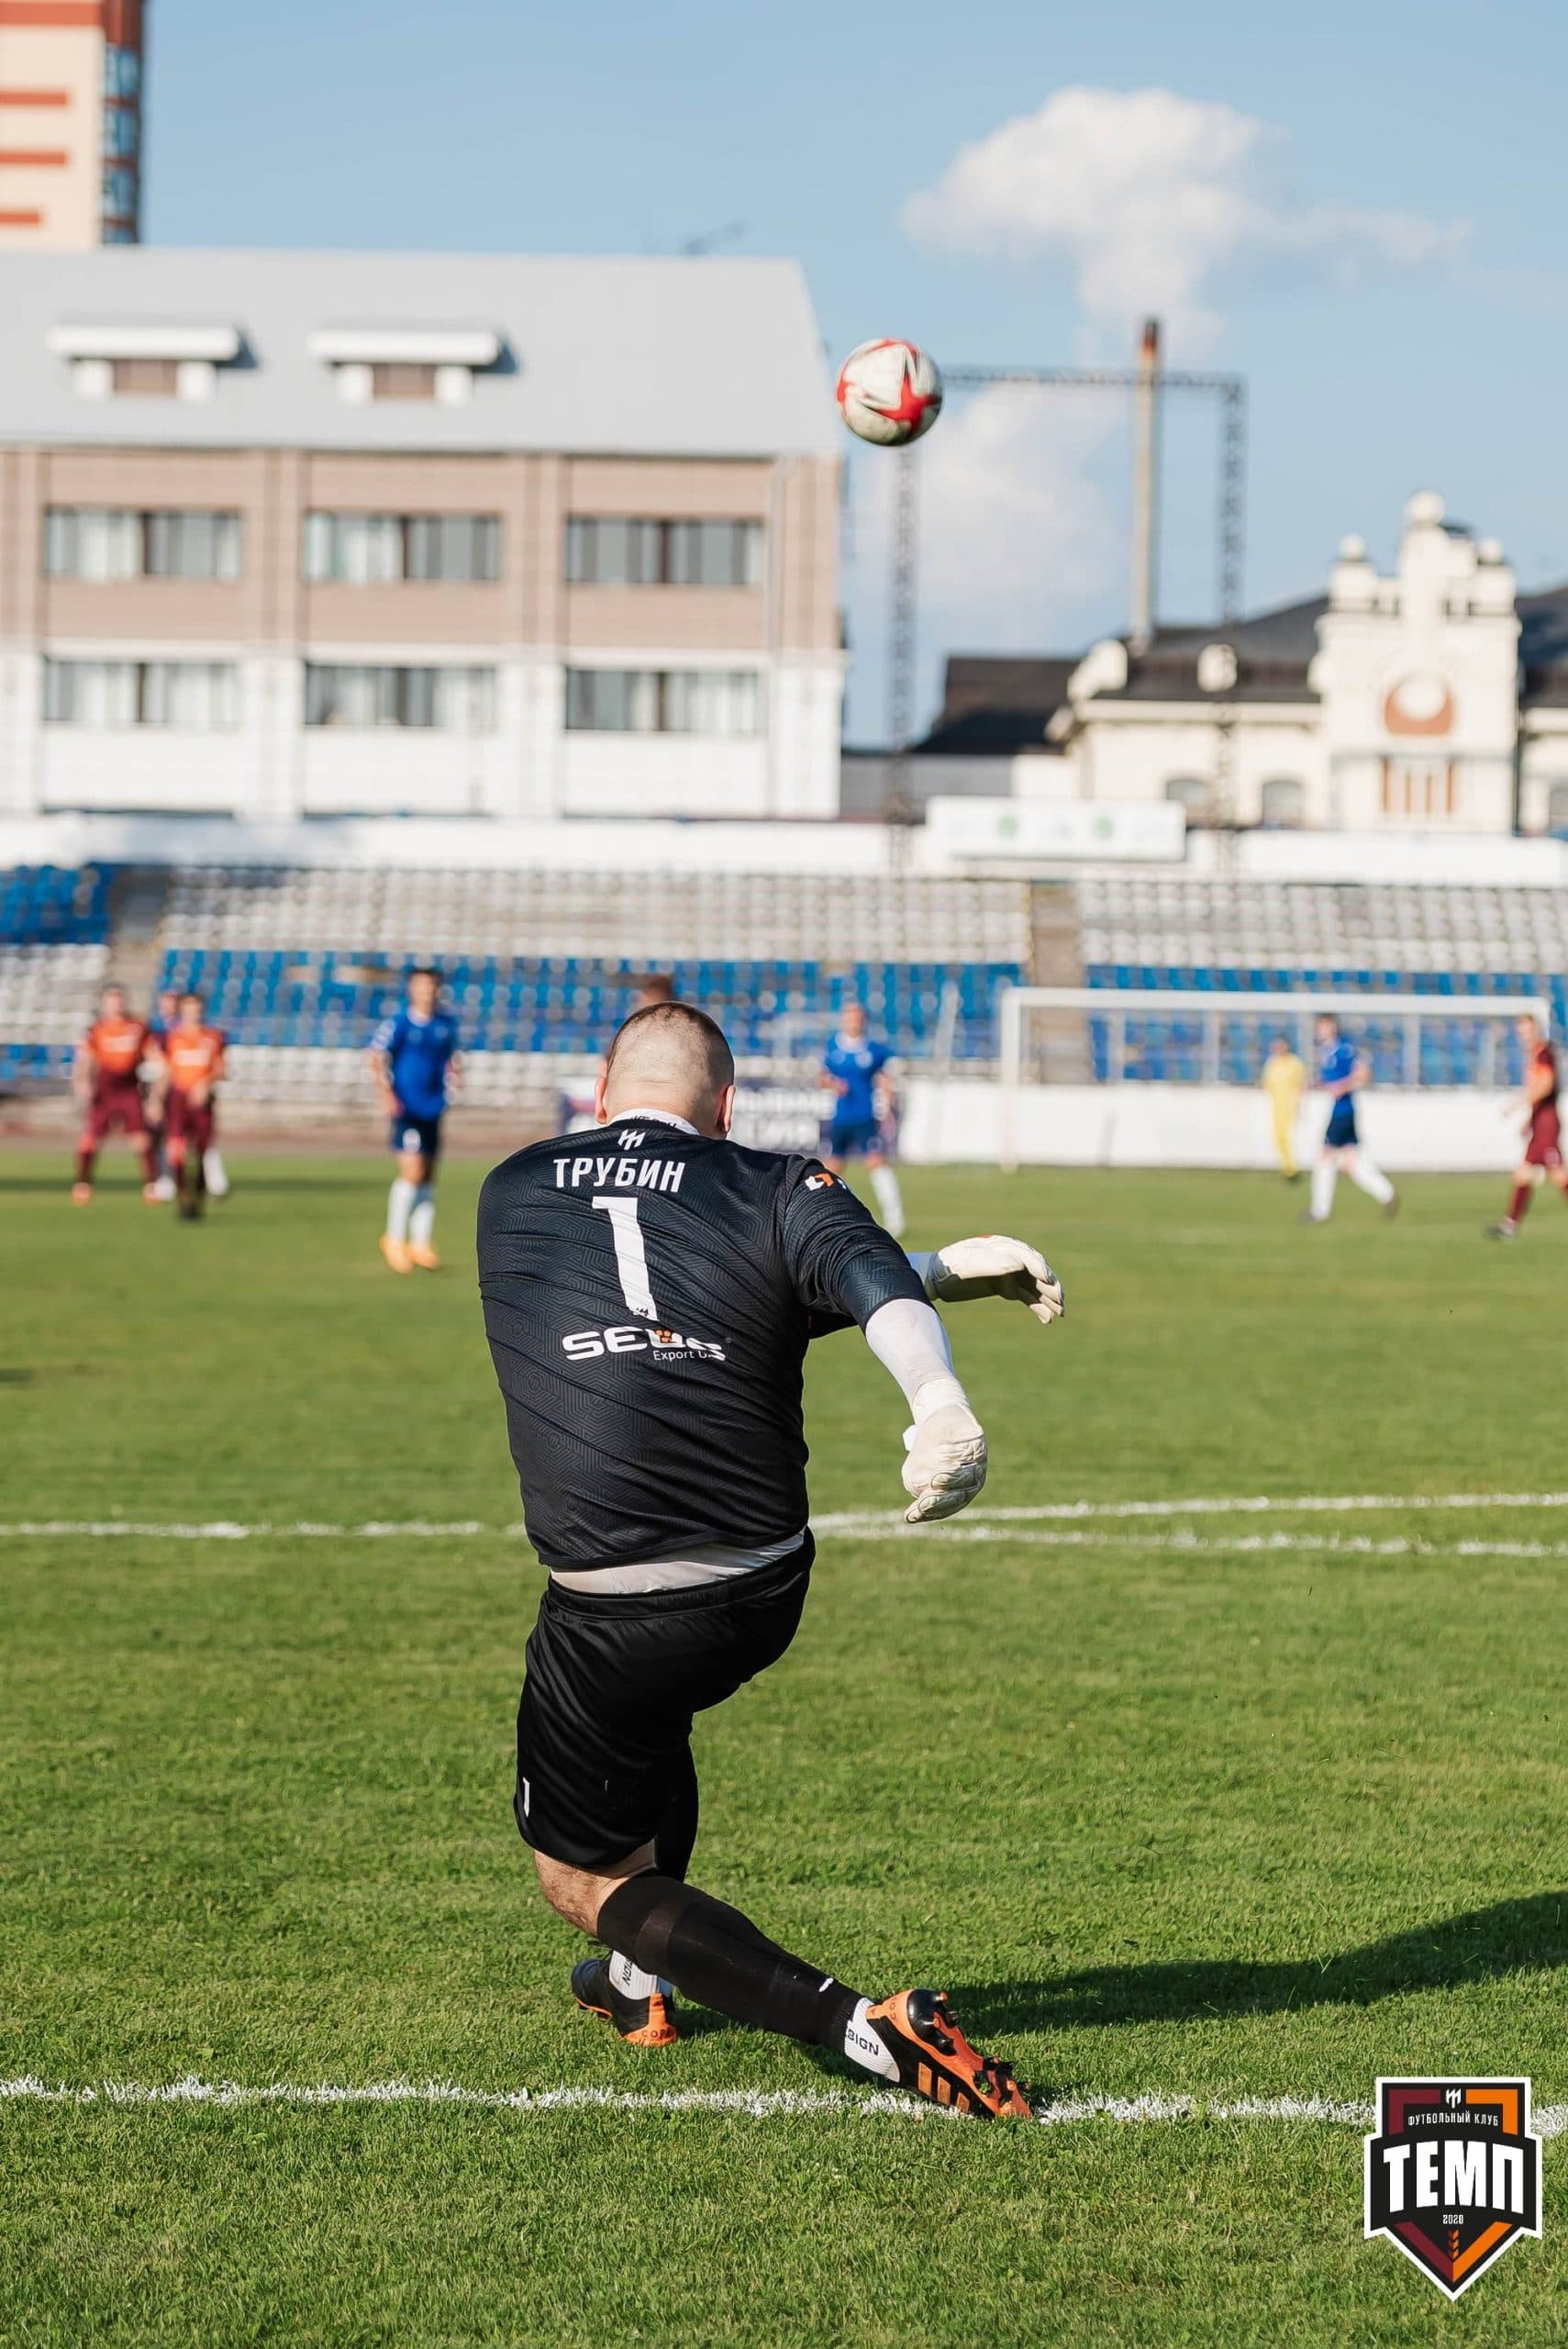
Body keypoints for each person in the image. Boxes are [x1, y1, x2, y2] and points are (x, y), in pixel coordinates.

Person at [477, 999, 1065, 2119]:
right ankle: (637, 1980)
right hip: (759, 1586)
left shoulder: (510, 1189)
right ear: (728, 1105)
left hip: (610, 1605)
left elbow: (653, 1277)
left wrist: (918, 1270)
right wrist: (934, 1349)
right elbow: (817, 1279)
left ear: (597, 1094)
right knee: (657, 1717)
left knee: (581, 1876)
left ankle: (858, 2027)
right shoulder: (774, 1182)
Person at [368, 967, 462, 1274]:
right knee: (412, 1171)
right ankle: (394, 1239)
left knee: (428, 1175)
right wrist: (387, 1095)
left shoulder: (445, 1024)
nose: (426, 992)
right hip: (406, 1107)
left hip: (433, 1107)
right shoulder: (399, 1023)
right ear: (411, 989)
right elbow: (376, 1055)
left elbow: (452, 1059)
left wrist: (454, 1080)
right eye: (420, 986)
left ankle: (420, 1243)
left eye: (431, 986)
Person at [1302, 1014, 1397, 1224]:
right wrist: (1315, 1084)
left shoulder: (1344, 1049)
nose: (1320, 1031)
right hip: (1341, 1111)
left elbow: (1363, 1073)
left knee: (1324, 1159)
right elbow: (1329, 1080)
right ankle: (1386, 1194)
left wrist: (1342, 1086)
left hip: (1342, 1112)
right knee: (1351, 1163)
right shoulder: (1327, 1052)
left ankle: (1320, 1211)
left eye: (1324, 1027)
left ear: (1332, 1027)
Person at [71, 983, 159, 1205]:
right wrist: (82, 1083)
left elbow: (154, 1058)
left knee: (141, 1140)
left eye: (119, 998)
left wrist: (156, 1094)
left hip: (130, 1088)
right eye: (111, 999)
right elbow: (85, 1061)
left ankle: (151, 1186)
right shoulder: (96, 1030)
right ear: (104, 1003)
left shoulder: (137, 1027)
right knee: (89, 1141)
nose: (116, 1003)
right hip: (105, 1090)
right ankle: (83, 1184)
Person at [822, 1002, 905, 1238]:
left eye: (857, 1017)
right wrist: (832, 1084)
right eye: (850, 1016)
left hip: (865, 1117)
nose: (853, 1021)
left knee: (876, 1163)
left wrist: (888, 1108)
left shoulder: (874, 1050)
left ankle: (895, 1218)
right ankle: (827, 1215)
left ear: (864, 1021)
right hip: (840, 1118)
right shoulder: (833, 1047)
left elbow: (886, 1079)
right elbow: (822, 1078)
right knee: (831, 1169)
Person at [1487, 1013, 1567, 1240]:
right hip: (1539, 1121)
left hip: (1548, 1122)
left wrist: (1518, 1104)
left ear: (1536, 1030)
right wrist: (1528, 1120)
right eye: (1521, 1032)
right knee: (1523, 1174)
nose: (1525, 1036)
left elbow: (1546, 1085)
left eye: (1528, 1030)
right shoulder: (1535, 1054)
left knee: (1559, 1175)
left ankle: (1510, 1225)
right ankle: (1510, 1225)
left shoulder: (1544, 1053)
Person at [153, 991, 227, 1221]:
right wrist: (155, 1099)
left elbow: (221, 1069)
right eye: (187, 1008)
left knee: (202, 1152)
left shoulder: (213, 1037)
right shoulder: (171, 1038)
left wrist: (205, 1083)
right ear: (182, 1010)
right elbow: (165, 1072)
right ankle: (183, 1198)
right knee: (177, 1150)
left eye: (196, 1008)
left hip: (202, 1102)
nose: (192, 1012)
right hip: (178, 1100)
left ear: (201, 1010)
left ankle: (198, 1199)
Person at [1262, 1034, 1306, 1181]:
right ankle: (1288, 1168)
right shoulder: (1272, 1063)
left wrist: (1299, 1103)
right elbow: (1267, 1082)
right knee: (1278, 1137)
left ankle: (1292, 1169)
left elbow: (1301, 1083)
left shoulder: (1294, 1062)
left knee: (1289, 1137)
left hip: (1290, 1104)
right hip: (1277, 1106)